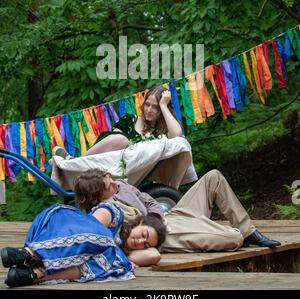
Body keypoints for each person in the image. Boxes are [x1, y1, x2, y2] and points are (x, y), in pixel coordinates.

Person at [1, 169, 166, 288]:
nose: (141, 242)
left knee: (106, 261)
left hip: (88, 250)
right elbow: (91, 229)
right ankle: (30, 255)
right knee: (104, 228)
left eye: (146, 244)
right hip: (78, 233)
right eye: (144, 234)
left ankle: (34, 273)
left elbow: (154, 254)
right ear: (139, 223)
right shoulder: (113, 210)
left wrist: (126, 256)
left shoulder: (118, 253)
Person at [78, 168, 281, 254]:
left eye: (111, 179)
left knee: (213, 177)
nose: (114, 183)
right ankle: (231, 233)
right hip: (165, 236)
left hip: (170, 218)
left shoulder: (121, 186)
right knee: (234, 238)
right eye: (109, 185)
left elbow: (150, 201)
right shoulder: (102, 213)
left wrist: (157, 217)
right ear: (97, 195)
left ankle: (249, 231)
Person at [53, 85, 198, 185]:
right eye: (147, 104)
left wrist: (164, 105)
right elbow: (111, 141)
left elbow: (178, 136)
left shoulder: (161, 132)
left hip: (135, 175)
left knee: (181, 141)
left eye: (155, 107)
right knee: (121, 139)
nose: (149, 110)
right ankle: (76, 161)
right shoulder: (131, 119)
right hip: (110, 167)